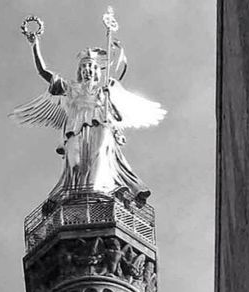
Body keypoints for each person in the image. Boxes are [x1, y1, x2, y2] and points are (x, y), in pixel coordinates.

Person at [10, 17, 165, 207]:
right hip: (75, 127)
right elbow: (43, 72)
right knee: (74, 163)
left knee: (99, 154)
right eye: (84, 67)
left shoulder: (104, 90)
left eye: (91, 67)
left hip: (100, 125)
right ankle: (73, 194)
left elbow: (118, 117)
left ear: (97, 72)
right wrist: (35, 44)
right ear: (80, 71)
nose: (88, 71)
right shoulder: (69, 88)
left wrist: (108, 96)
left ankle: (100, 190)